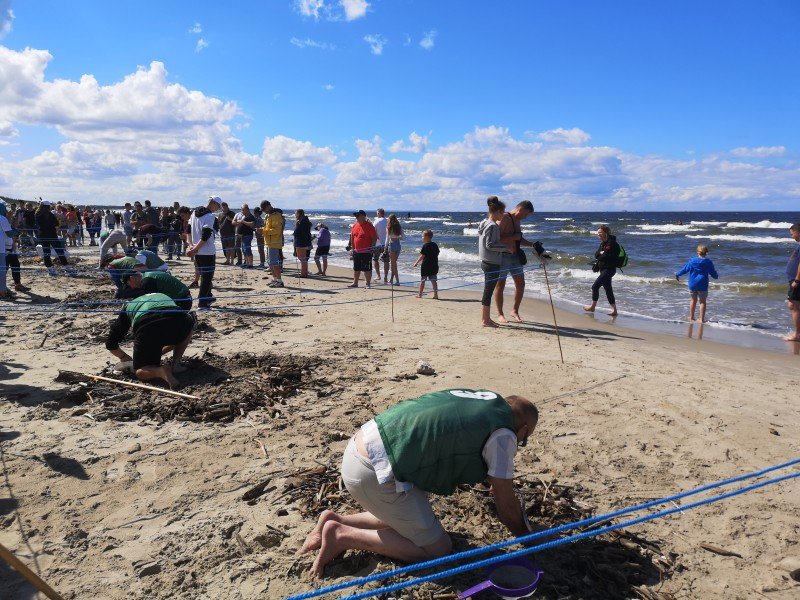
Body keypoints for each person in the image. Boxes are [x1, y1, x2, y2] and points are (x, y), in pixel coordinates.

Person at [300, 388, 539, 578]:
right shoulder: (505, 434)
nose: (519, 445)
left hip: (362, 448)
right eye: (524, 441)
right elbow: (507, 509)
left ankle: (336, 520)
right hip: (374, 473)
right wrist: (530, 540)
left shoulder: (486, 402)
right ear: (523, 429)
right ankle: (343, 535)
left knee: (402, 517)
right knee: (438, 549)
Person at [105, 293, 193, 389]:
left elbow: (110, 343)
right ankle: (176, 364)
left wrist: (124, 357)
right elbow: (172, 339)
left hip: (147, 324)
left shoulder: (128, 306)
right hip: (179, 320)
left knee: (140, 371)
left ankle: (160, 371)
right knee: (188, 326)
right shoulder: (161, 295)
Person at [494, 201, 536, 323]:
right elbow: (496, 238)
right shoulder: (505, 218)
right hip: (503, 257)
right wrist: (514, 238)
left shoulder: (517, 220)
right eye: (526, 214)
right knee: (500, 285)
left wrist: (533, 245)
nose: (526, 217)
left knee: (521, 284)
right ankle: (500, 314)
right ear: (521, 209)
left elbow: (519, 239)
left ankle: (514, 311)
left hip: (515, 257)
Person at [478, 197, 511, 327]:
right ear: (496, 212)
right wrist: (505, 249)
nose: (503, 215)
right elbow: (490, 245)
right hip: (491, 263)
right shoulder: (492, 226)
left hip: (487, 261)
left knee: (488, 291)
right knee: (488, 292)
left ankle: (486, 318)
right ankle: (485, 320)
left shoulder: (484, 223)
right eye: (502, 213)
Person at [187, 196, 221, 309]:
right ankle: (202, 303)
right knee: (207, 278)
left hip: (198, 251)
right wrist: (194, 248)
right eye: (218, 206)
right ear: (213, 203)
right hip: (207, 251)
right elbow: (205, 236)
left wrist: (191, 245)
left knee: (204, 276)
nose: (218, 209)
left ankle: (209, 296)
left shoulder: (193, 213)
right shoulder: (210, 216)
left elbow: (188, 231)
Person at [676, 245, 719, 323]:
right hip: (703, 284)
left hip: (692, 284)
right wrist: (716, 276)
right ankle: (701, 319)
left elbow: (685, 269)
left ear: (697, 252)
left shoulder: (692, 261)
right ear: (706, 253)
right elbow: (713, 273)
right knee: (702, 302)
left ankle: (692, 317)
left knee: (693, 300)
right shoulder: (708, 262)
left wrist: (678, 274)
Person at [584, 224, 620, 317]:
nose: (598, 234)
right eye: (598, 232)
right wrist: (601, 253)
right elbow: (596, 255)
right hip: (603, 269)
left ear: (605, 233)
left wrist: (602, 254)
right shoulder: (603, 243)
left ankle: (592, 307)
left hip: (609, 270)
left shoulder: (612, 243)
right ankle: (614, 310)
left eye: (600, 232)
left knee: (595, 287)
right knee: (608, 289)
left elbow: (605, 256)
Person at [118, 270, 192, 312]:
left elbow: (148, 300)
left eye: (129, 285)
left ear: (132, 279)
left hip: (182, 303)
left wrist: (130, 305)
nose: (132, 288)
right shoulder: (147, 276)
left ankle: (189, 317)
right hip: (184, 299)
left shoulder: (147, 281)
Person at [35, 200, 72, 276]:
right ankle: (66, 266)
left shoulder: (37, 214)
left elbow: (42, 225)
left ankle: (50, 269)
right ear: (48, 206)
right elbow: (57, 223)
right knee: (59, 251)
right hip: (52, 234)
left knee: (46, 252)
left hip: (43, 235)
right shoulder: (50, 214)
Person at [348, 210, 377, 288]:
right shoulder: (355, 225)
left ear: (363, 217)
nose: (356, 217)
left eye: (358, 216)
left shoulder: (369, 226)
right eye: (356, 216)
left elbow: (374, 238)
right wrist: (353, 249)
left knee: (367, 268)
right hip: (357, 251)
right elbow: (352, 237)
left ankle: (368, 284)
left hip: (367, 251)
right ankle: (355, 283)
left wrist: (372, 248)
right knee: (356, 268)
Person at [261, 200, 284, 287]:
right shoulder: (267, 215)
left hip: (274, 243)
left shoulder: (277, 215)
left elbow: (276, 230)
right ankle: (275, 279)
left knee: (274, 262)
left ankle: (279, 281)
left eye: (264, 209)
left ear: (269, 206)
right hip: (268, 242)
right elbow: (267, 228)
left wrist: (263, 231)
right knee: (270, 263)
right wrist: (262, 229)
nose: (263, 211)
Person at [784, 223, 800, 342]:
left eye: (792, 233)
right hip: (794, 280)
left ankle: (797, 335)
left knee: (792, 305)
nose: (791, 236)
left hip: (796, 281)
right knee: (794, 305)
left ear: (798, 232)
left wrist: (797, 279)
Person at [413, 229, 439, 299]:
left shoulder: (425, 246)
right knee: (434, 280)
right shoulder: (435, 245)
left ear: (427, 237)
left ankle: (420, 294)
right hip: (434, 265)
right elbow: (437, 253)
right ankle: (435, 294)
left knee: (423, 280)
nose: (422, 238)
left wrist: (416, 262)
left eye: (423, 236)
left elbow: (422, 256)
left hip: (426, 266)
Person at [233, 204, 257, 268]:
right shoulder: (244, 216)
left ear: (246, 209)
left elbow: (252, 224)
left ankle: (250, 264)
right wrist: (241, 221)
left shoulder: (251, 216)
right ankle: (247, 262)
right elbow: (235, 221)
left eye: (243, 210)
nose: (242, 211)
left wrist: (243, 222)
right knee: (244, 249)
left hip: (248, 235)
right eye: (241, 210)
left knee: (247, 249)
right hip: (243, 235)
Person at [293, 209, 312, 278]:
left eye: (296, 214)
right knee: (303, 258)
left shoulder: (301, 222)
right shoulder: (306, 221)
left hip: (301, 242)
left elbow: (296, 232)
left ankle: (303, 274)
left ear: (299, 214)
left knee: (302, 258)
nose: (295, 215)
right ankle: (304, 273)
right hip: (305, 241)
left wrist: (296, 226)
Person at [0, 202, 13, 299]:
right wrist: (16, 230)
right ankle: (2, 292)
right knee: (1, 271)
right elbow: (9, 234)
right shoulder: (2, 218)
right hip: (0, 249)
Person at [385, 214, 403, 285]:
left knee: (393, 264)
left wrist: (385, 248)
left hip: (392, 244)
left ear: (390, 219)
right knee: (394, 263)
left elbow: (387, 239)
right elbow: (404, 237)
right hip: (398, 245)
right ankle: (392, 279)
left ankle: (397, 281)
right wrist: (397, 237)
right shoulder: (399, 227)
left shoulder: (388, 227)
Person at [372, 208, 388, 281]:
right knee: (386, 261)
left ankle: (378, 275)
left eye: (377, 213)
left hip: (378, 243)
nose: (377, 214)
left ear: (379, 213)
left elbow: (373, 232)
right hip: (386, 244)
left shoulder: (377, 221)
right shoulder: (388, 221)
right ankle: (385, 277)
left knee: (375, 259)